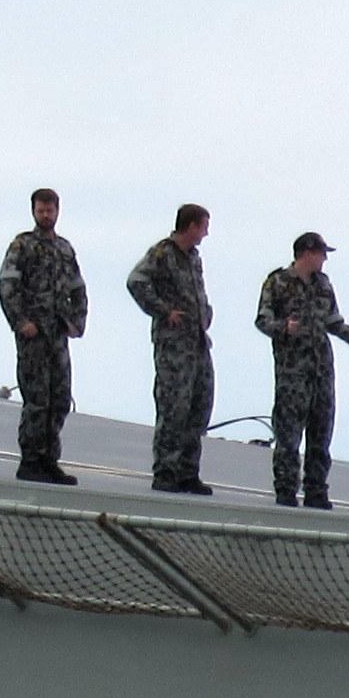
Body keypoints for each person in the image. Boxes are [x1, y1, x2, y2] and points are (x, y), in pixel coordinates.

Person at [252, 232, 349, 510]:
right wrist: (283, 328)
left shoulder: (323, 284)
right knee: (289, 434)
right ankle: (286, 488)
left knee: (321, 433)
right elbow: (262, 320)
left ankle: (316, 489)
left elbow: (334, 322)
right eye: (322, 253)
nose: (324, 259)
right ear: (307, 253)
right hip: (293, 373)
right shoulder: (278, 282)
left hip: (322, 371)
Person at [125, 205, 218, 494]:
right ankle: (166, 471)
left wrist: (206, 313)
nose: (205, 233)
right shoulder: (162, 253)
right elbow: (136, 281)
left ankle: (188, 472)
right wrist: (164, 311)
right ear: (191, 226)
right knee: (174, 407)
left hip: (197, 343)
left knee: (199, 406)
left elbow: (197, 293)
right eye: (203, 227)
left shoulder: (194, 258)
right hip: (174, 346)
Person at [0, 190, 87, 486]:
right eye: (41, 211)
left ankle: (50, 460)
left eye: (50, 210)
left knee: (59, 399)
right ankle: (31, 460)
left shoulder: (64, 249)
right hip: (34, 336)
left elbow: (78, 288)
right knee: (37, 399)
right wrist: (20, 322)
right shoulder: (22, 245)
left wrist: (77, 322)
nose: (46, 215)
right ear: (33, 212)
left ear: (57, 211)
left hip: (58, 335)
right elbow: (7, 285)